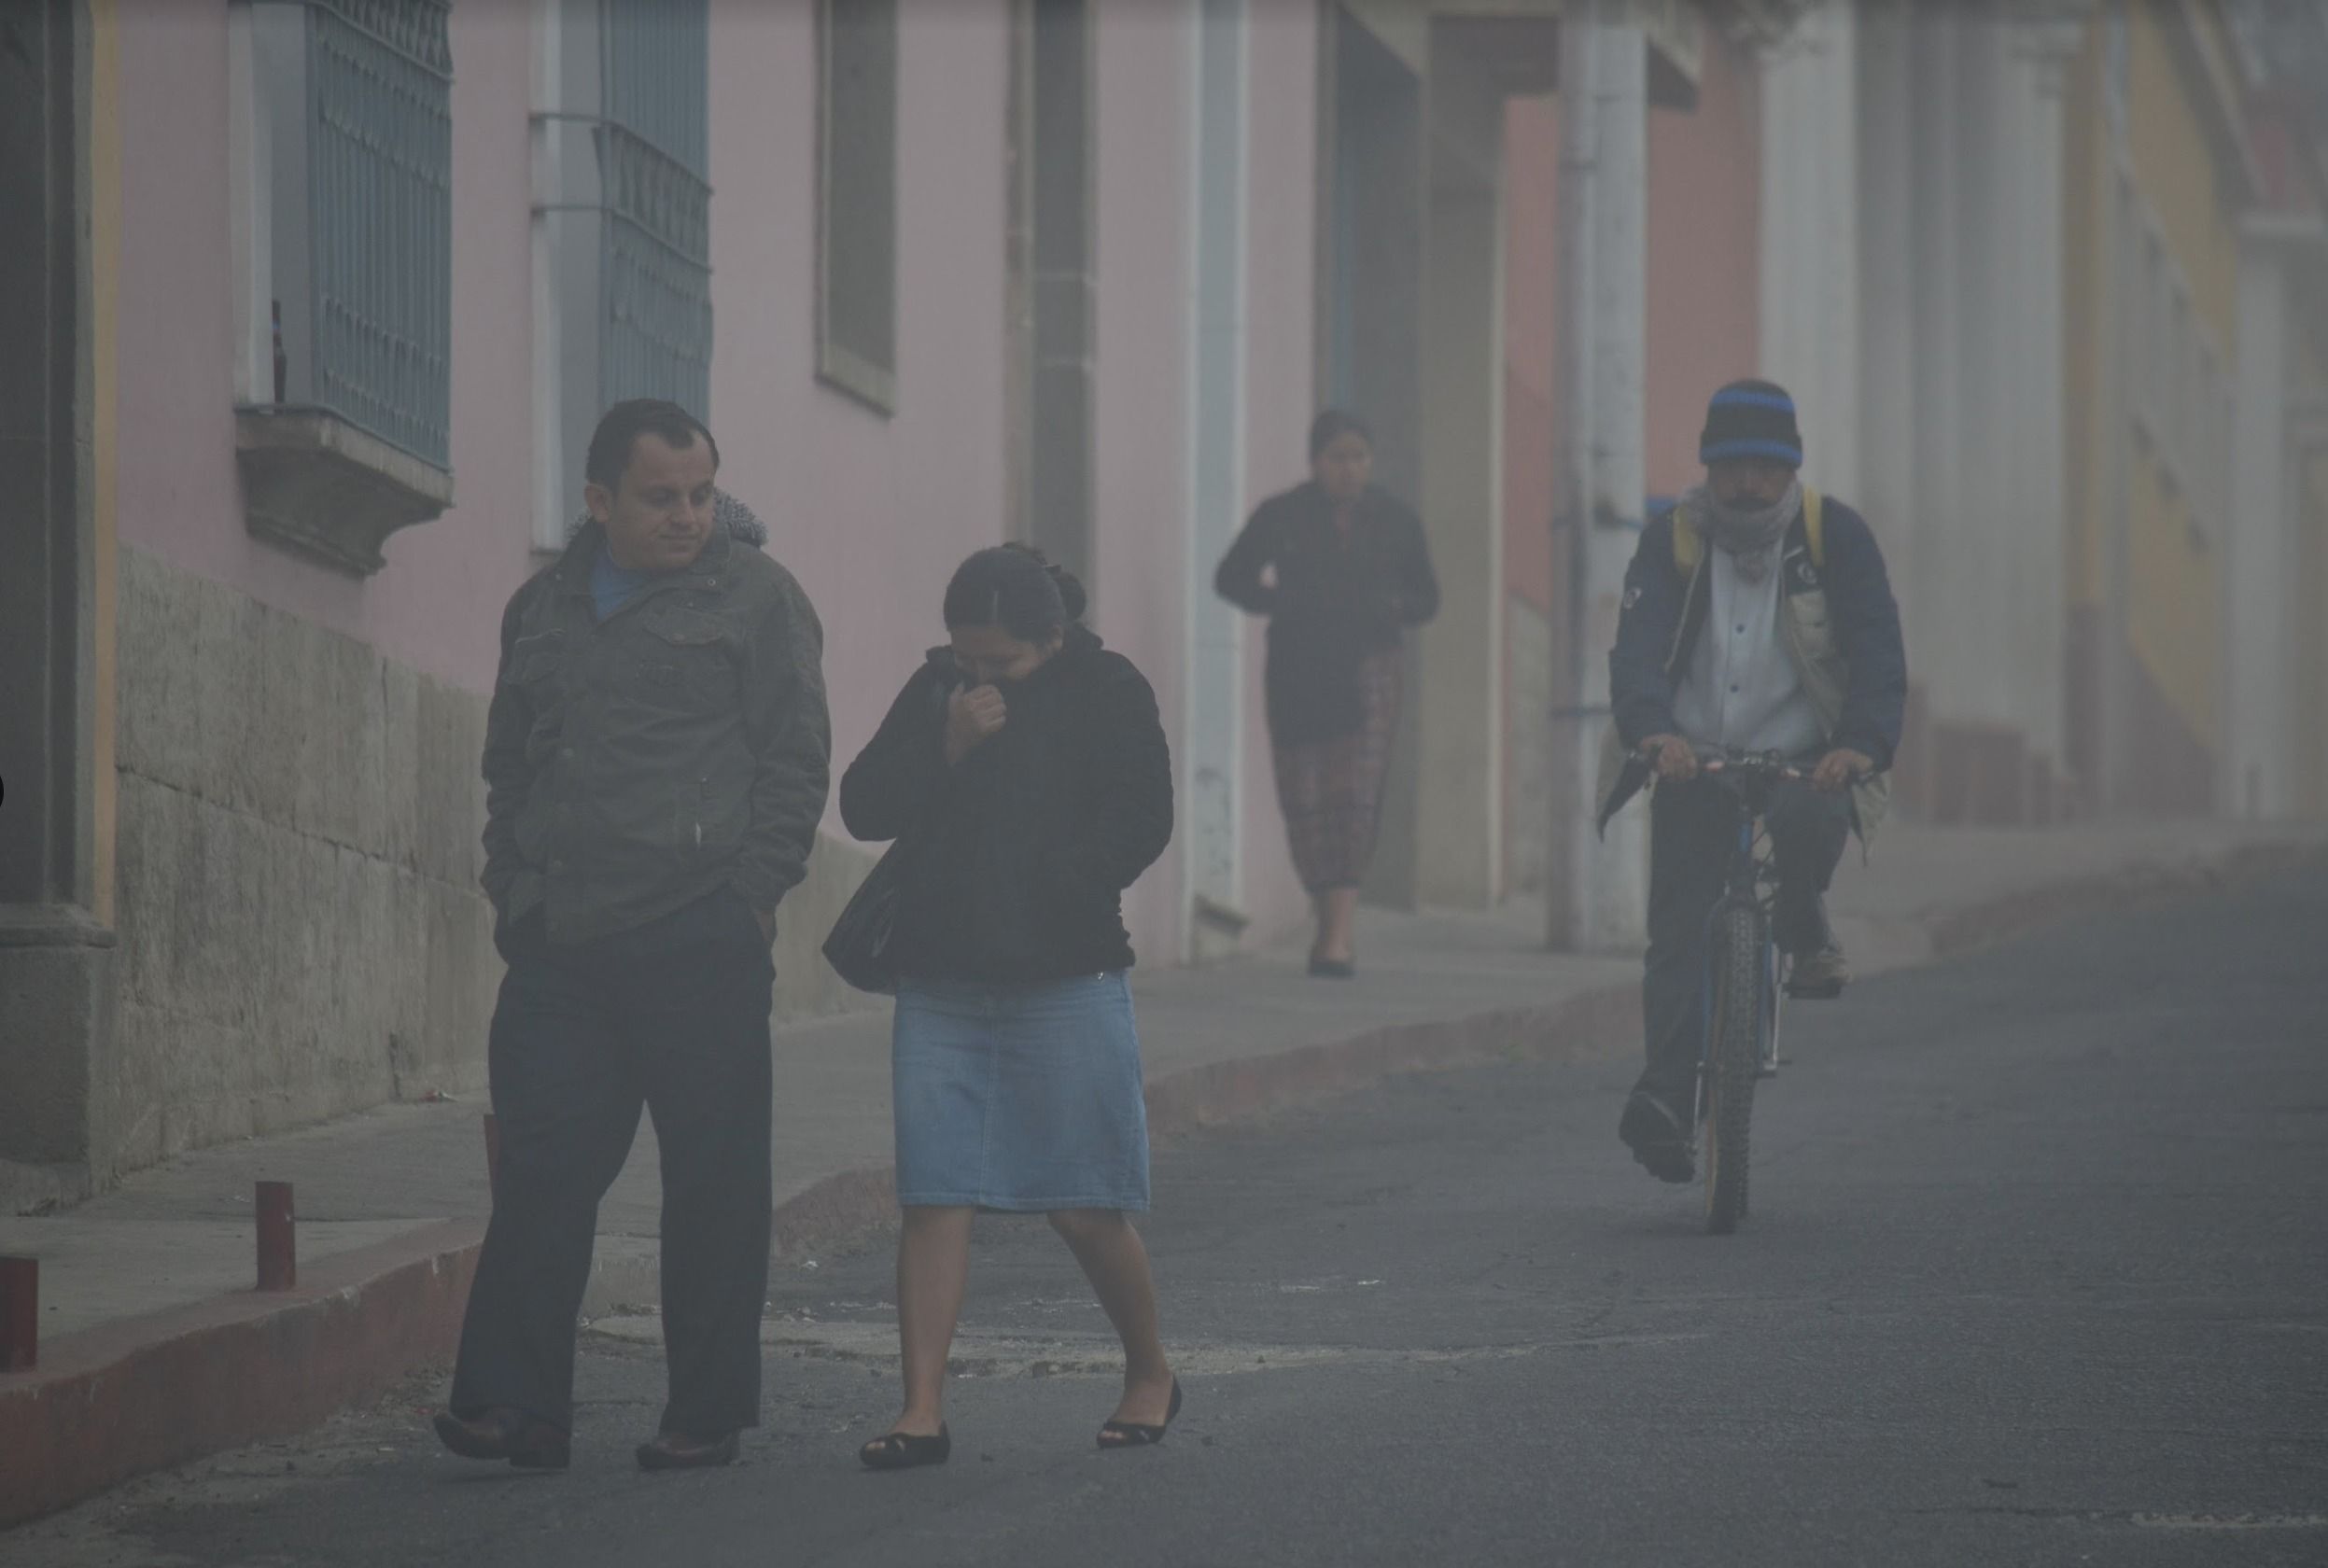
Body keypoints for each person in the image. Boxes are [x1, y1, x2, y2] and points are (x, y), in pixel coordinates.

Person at [434, 399, 831, 1472]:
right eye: (662, 498)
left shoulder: (756, 599)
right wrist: (512, 888)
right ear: (601, 499)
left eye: (701, 494)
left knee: (711, 1181)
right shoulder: (541, 609)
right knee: (544, 1172)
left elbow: (795, 758)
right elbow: (509, 761)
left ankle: (702, 1414)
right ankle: (516, 1407)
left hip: (697, 933)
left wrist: (749, 900)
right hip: (560, 945)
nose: (688, 517)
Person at [838, 544, 1179, 1468]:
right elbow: (864, 805)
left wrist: (1060, 885)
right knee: (935, 1195)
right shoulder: (937, 692)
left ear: (1053, 638)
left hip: (1066, 976)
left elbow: (1143, 815)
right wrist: (946, 745)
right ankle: (920, 1411)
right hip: (942, 981)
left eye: (1004, 663)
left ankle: (1149, 1371)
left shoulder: (1108, 689)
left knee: (1084, 1204)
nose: (982, 677)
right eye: (968, 658)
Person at [1598, 380, 1906, 1184]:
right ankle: (1668, 1101)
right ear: (1707, 466)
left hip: (1806, 759)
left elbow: (1878, 654)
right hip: (1691, 757)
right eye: (1730, 466)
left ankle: (1804, 928)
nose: (1745, 484)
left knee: (1808, 826)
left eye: (1763, 469)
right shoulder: (1672, 540)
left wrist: (1862, 746)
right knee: (1675, 931)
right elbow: (1634, 652)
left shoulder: (1835, 538)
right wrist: (1653, 732)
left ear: (1789, 470)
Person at [1215, 411, 1438, 977]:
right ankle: (1325, 924)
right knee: (1307, 797)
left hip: (1369, 666)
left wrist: (1389, 607)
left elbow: (1426, 598)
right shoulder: (1283, 515)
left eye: (1359, 457)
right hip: (1297, 666)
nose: (1349, 469)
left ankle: (1339, 935)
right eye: (1337, 457)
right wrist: (1281, 604)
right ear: (1315, 461)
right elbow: (1232, 576)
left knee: (1356, 795)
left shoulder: (1394, 520)